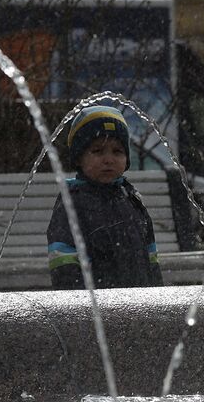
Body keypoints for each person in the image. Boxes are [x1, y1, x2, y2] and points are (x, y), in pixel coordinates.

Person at [46, 105, 163, 289]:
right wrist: (76, 304)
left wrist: (157, 294)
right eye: (98, 151)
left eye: (117, 151)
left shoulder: (131, 199)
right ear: (78, 158)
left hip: (137, 303)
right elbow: (63, 262)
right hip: (93, 307)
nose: (108, 159)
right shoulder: (72, 202)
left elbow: (150, 257)